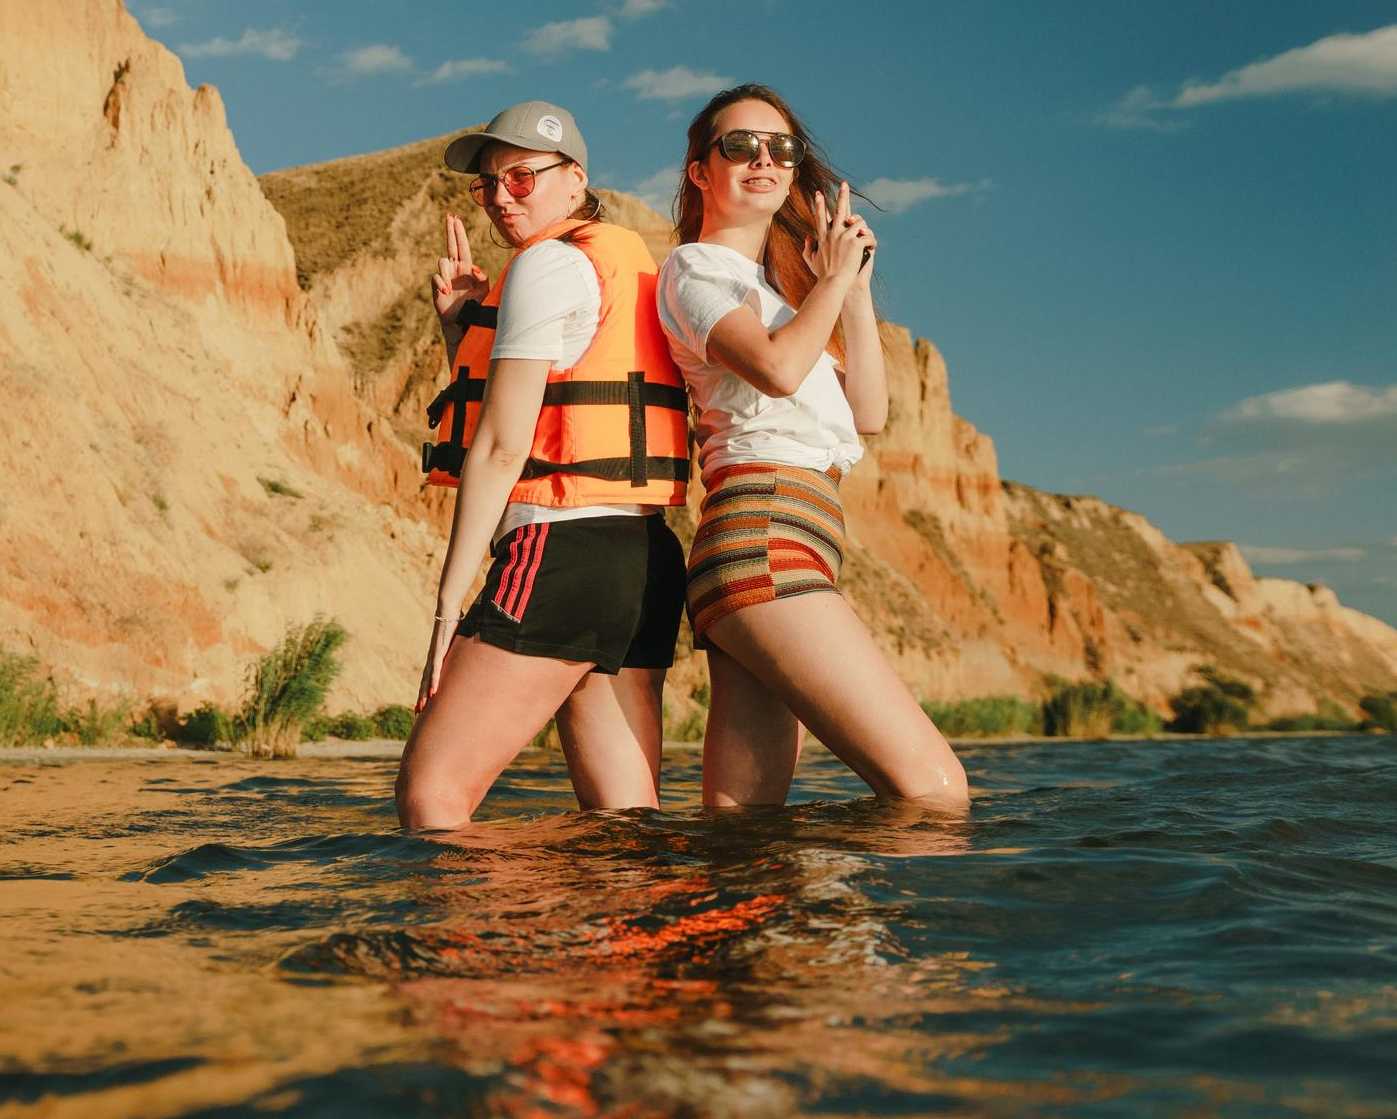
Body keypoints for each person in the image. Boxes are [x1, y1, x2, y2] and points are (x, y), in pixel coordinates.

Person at [655, 83, 969, 811]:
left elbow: (870, 413)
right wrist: (828, 283)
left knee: (746, 824)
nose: (763, 158)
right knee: (936, 789)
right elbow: (775, 367)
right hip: (765, 531)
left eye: (782, 148)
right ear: (701, 171)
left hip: (789, 534)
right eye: (739, 145)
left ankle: (742, 928)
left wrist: (851, 292)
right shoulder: (697, 270)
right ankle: (856, 928)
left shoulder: (784, 300)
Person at [395, 101, 691, 830]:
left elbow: (499, 449)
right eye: (487, 186)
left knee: (431, 797)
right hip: (642, 560)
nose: (500, 197)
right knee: (624, 822)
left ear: (574, 180)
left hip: (560, 548)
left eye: (521, 178)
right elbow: (529, 417)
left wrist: (443, 616)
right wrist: (459, 330)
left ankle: (492, 946)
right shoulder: (617, 260)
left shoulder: (547, 264)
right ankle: (629, 945)